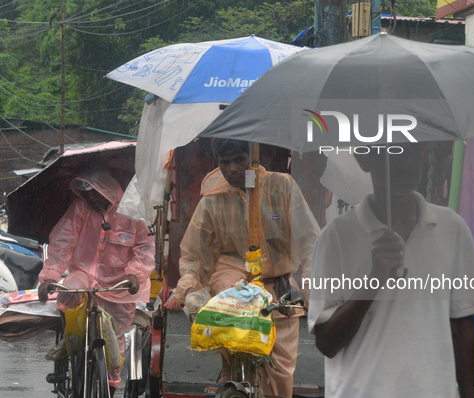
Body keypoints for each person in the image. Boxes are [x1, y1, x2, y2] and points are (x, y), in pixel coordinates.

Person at [307, 143, 474, 398]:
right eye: (392, 152)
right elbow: (327, 343)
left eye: (412, 150)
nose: (405, 162)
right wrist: (375, 277)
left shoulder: (452, 229)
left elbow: (463, 327)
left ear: (424, 154)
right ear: (364, 159)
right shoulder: (336, 239)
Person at [167, 138, 320, 398]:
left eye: (239, 160)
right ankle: (230, 372)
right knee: (231, 295)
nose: (232, 169)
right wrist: (190, 286)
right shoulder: (212, 199)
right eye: (225, 163)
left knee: (281, 376)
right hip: (232, 278)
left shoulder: (281, 186)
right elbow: (194, 253)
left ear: (253, 158)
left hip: (278, 285)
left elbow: (310, 242)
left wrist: (311, 285)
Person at [38, 169, 155, 395]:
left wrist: (135, 273)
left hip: (120, 284)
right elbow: (63, 240)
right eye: (86, 192)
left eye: (94, 192)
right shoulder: (81, 207)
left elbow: (145, 247)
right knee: (69, 290)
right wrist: (50, 275)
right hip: (84, 275)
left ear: (108, 189)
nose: (90, 198)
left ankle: (109, 388)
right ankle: (69, 341)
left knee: (115, 343)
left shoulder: (133, 209)